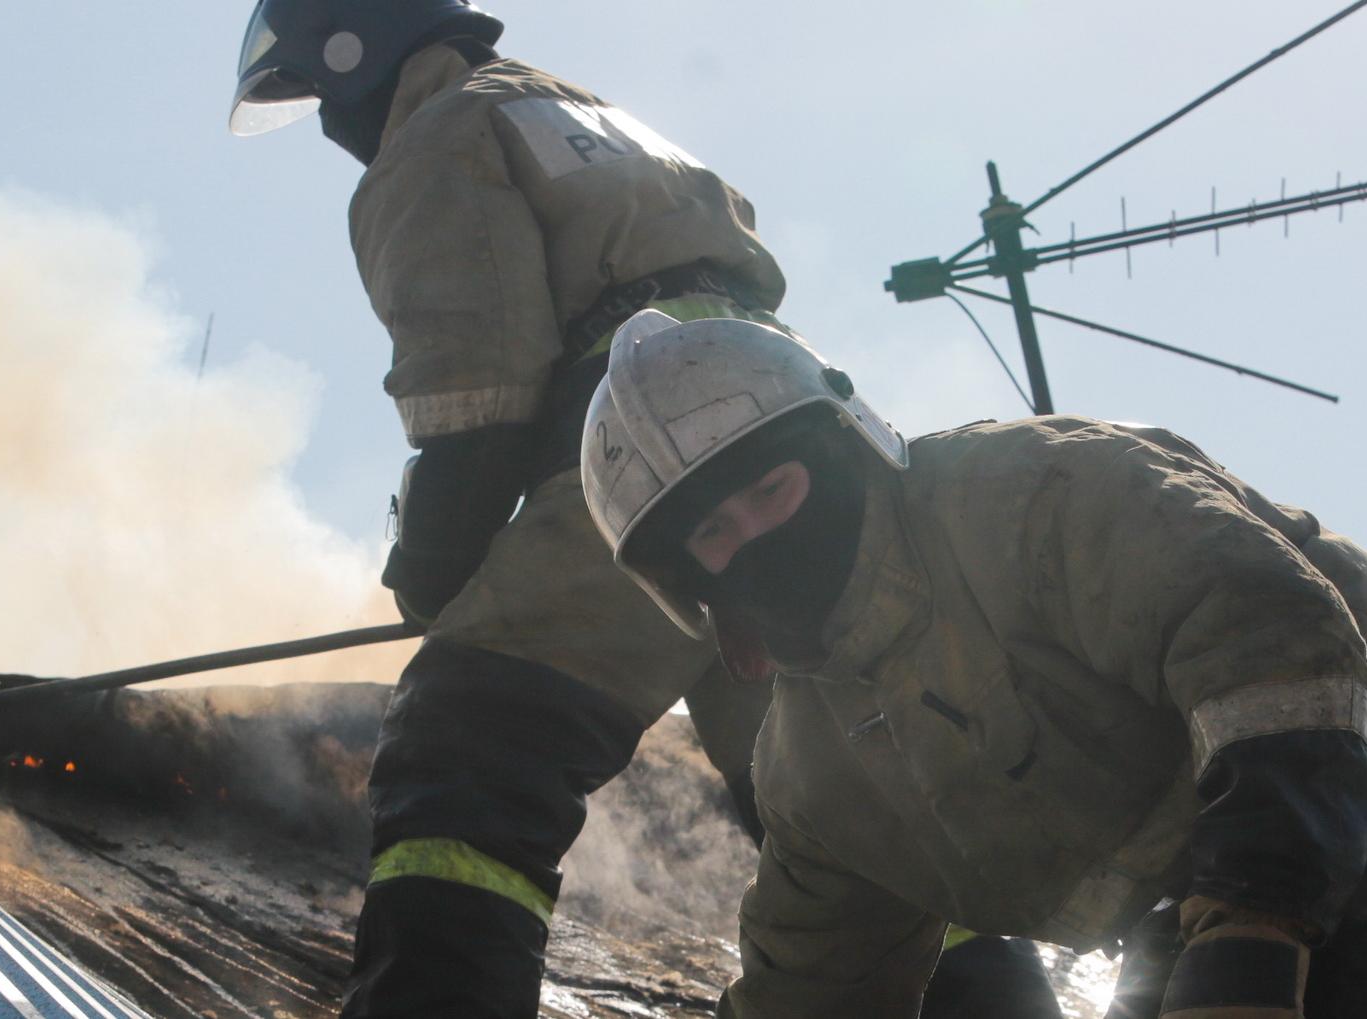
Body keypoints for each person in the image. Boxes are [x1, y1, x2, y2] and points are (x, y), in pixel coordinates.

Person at [226, 3, 1061, 1015]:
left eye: (319, 92)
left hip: (648, 456)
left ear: (351, 57)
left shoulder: (436, 138)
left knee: (471, 739)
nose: (326, 122)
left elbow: (475, 390)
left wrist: (435, 573)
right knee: (860, 785)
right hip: (800, 461)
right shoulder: (585, 113)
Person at [578, 311, 1367, 1019]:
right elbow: (812, 987)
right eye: (716, 527)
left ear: (840, 448)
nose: (759, 533)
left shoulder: (1026, 493)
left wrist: (1252, 935)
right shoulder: (812, 775)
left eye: (772, 486)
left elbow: (1270, 643)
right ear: (688, 580)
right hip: (1193, 884)